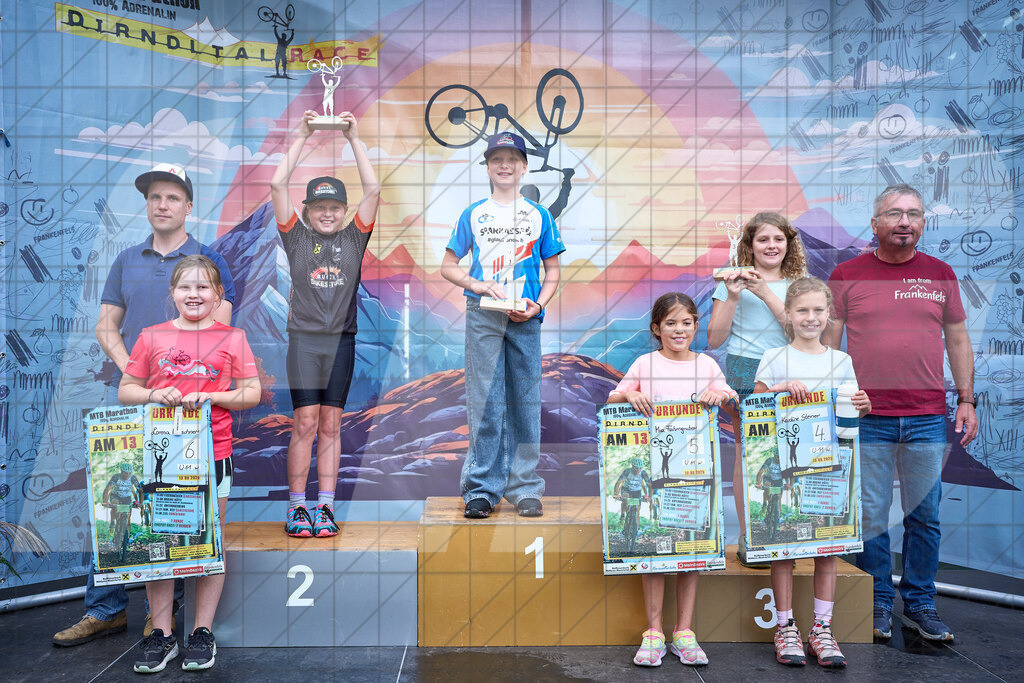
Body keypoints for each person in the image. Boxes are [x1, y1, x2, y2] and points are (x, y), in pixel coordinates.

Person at [54, 163, 236, 647]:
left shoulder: (208, 260)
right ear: (147, 204)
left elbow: (221, 335)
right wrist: (136, 368)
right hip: (138, 401)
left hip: (187, 415)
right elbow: (105, 327)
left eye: (172, 197)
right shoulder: (125, 260)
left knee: (175, 513)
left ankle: (171, 621)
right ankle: (106, 609)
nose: (162, 204)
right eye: (155, 196)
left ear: (188, 207)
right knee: (116, 505)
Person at [824, 184, 978, 642]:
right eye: (894, 214)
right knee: (870, 515)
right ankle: (874, 601)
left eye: (913, 214)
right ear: (875, 225)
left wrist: (967, 398)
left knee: (924, 515)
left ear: (924, 223)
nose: (904, 222)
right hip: (865, 415)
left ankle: (920, 603)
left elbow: (957, 339)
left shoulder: (941, 273)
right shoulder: (846, 273)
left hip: (928, 415)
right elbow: (828, 345)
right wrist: (826, 404)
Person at [120, 255, 260, 672]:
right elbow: (127, 388)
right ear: (173, 293)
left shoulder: (232, 338)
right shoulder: (150, 336)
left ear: (218, 295)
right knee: (158, 546)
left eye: (203, 288)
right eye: (186, 287)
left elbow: (251, 392)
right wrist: (152, 395)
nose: (194, 294)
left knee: (207, 543)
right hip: (159, 461)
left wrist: (214, 396)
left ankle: (201, 632)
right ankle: (162, 636)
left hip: (213, 455)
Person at [608, 292, 737, 667]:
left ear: (696, 326)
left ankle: (684, 630)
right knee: (654, 551)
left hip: (696, 474)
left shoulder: (707, 364)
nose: (679, 330)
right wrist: (629, 395)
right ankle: (654, 631)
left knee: (691, 550)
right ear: (656, 329)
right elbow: (615, 395)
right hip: (655, 471)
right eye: (670, 323)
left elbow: (728, 395)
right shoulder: (645, 363)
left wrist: (720, 393)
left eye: (686, 323)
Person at [441, 132, 564, 519]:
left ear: (524, 166)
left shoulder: (539, 215)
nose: (505, 165)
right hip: (484, 315)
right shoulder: (473, 213)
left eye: (513, 158)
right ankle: (481, 489)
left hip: (525, 318)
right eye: (497, 159)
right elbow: (448, 266)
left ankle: (526, 486)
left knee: (525, 402)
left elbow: (554, 271)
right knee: (486, 403)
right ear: (488, 167)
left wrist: (538, 306)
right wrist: (477, 286)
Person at [269, 109, 380, 538]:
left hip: (341, 343)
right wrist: (300, 133)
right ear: (308, 210)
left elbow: (374, 188)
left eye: (335, 207)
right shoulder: (297, 239)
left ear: (344, 210)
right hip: (303, 342)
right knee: (305, 423)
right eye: (320, 207)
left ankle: (326, 508)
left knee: (331, 424)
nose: (328, 214)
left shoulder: (355, 238)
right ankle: (297, 508)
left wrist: (354, 139)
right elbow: (278, 184)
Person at [753, 276, 871, 668]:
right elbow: (754, 408)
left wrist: (862, 403)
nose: (811, 317)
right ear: (787, 314)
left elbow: (851, 414)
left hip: (829, 471)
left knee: (827, 549)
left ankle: (822, 629)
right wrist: (778, 390)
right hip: (786, 468)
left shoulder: (841, 360)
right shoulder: (773, 356)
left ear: (829, 314)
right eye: (802, 310)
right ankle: (785, 626)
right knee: (784, 546)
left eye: (818, 310)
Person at [706, 212, 807, 547]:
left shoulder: (799, 284)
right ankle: (750, 537)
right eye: (763, 239)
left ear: (789, 244)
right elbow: (715, 339)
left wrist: (765, 292)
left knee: (790, 455)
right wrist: (734, 296)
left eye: (778, 239)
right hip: (743, 370)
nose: (771, 245)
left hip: (789, 371)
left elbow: (800, 330)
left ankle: (784, 534)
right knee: (747, 454)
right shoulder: (730, 283)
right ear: (749, 245)